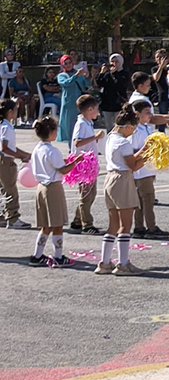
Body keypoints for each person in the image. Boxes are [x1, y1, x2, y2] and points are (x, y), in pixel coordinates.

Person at [96, 105, 149, 276]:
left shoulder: (112, 137)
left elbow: (129, 158)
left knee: (113, 224)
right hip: (122, 179)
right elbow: (133, 166)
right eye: (133, 129)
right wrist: (148, 156)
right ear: (127, 126)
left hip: (110, 179)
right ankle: (123, 264)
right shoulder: (124, 142)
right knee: (125, 224)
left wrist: (143, 150)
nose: (133, 132)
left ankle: (104, 263)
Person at [29, 116, 78, 265]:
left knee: (46, 225)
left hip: (41, 187)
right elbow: (63, 170)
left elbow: (53, 164)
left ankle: (37, 255)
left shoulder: (37, 149)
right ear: (51, 132)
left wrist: (66, 161)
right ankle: (58, 256)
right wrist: (76, 162)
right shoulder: (52, 150)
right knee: (57, 224)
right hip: (53, 188)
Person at [129, 101, 169, 239]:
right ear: (137, 114)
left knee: (142, 201)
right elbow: (134, 151)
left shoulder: (147, 128)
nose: (150, 115)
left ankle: (139, 227)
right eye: (147, 112)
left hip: (147, 170)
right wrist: (149, 150)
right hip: (141, 172)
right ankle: (151, 227)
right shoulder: (135, 131)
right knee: (147, 200)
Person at [69, 95, 104, 235]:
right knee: (86, 194)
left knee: (91, 193)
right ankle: (87, 224)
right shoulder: (81, 124)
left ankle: (78, 220)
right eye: (96, 109)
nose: (98, 112)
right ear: (90, 109)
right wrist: (95, 137)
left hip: (90, 163)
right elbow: (77, 142)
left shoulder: (88, 123)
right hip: (83, 164)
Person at [0, 99, 32, 228]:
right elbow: (5, 148)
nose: (16, 113)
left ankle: (2, 216)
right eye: (15, 110)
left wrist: (25, 155)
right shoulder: (6, 127)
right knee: (11, 191)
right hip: (6, 162)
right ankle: (13, 219)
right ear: (10, 112)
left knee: (3, 189)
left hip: (4, 160)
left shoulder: (4, 125)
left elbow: (11, 148)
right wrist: (19, 156)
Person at [56, 54, 89, 143]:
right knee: (70, 127)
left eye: (70, 62)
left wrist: (86, 77)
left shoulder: (79, 73)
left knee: (81, 126)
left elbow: (85, 86)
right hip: (69, 104)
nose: (68, 65)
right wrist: (76, 76)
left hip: (80, 103)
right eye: (66, 63)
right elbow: (66, 84)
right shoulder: (61, 76)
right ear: (62, 65)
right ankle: (72, 147)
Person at [95, 54, 132, 131]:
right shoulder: (107, 74)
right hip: (107, 104)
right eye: (112, 61)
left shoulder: (125, 73)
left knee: (119, 126)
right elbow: (99, 83)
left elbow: (121, 85)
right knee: (109, 127)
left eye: (116, 62)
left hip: (119, 104)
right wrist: (102, 73)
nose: (114, 64)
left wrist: (114, 74)